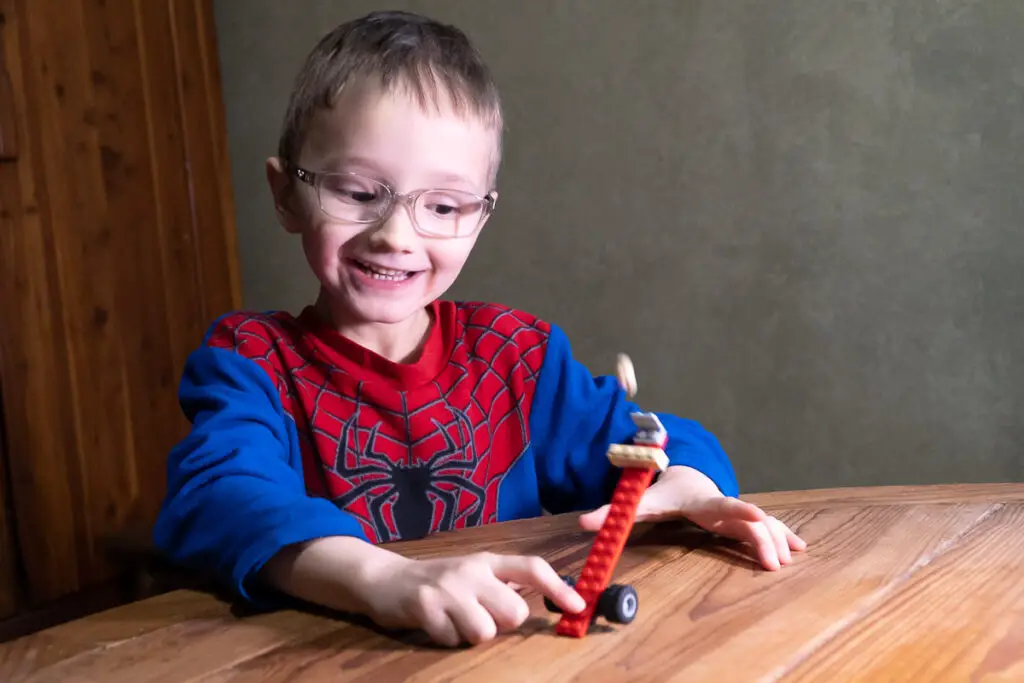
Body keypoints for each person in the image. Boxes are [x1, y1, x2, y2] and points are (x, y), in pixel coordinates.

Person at [153, 9, 806, 648]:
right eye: (356, 192)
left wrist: (688, 485)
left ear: (480, 217)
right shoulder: (249, 361)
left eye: (442, 205)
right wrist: (380, 578)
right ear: (284, 194)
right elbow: (218, 495)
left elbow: (655, 439)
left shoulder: (518, 357)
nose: (395, 234)